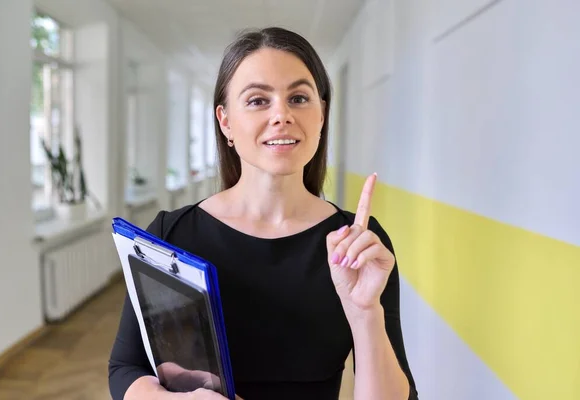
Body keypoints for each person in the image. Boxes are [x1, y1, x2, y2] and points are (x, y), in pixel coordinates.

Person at [108, 27, 418, 400]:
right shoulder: (171, 235)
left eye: (299, 98)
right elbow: (126, 369)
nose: (282, 115)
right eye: (258, 100)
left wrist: (364, 311)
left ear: (321, 115)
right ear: (225, 122)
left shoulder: (357, 246)